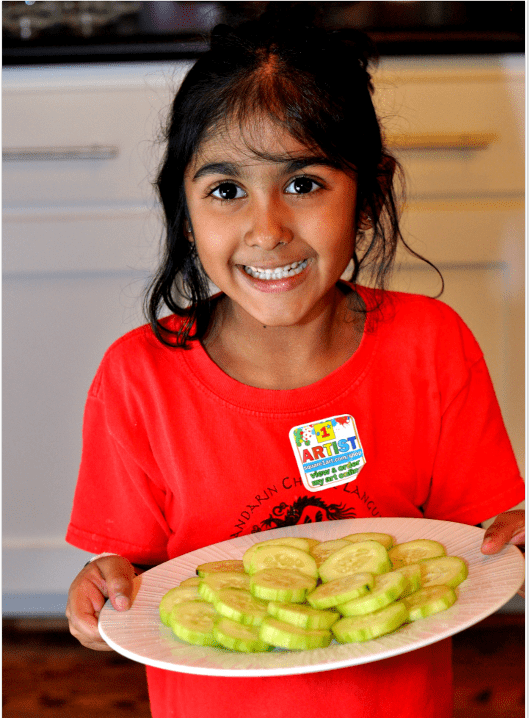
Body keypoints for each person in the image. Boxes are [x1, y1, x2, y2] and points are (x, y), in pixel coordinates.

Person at [65, 5, 525, 717]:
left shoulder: (434, 347)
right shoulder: (138, 378)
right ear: (183, 211)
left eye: (304, 183)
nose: (267, 230)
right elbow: (125, 581)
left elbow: (486, 551)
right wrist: (99, 596)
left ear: (368, 195)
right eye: (226, 191)